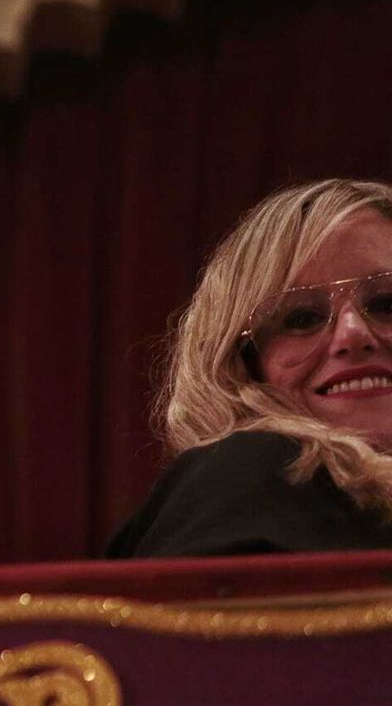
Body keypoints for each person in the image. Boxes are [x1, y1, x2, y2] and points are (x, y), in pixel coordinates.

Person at [109, 178, 392, 556]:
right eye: (301, 319)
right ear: (241, 365)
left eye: (387, 304)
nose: (352, 334)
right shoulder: (249, 474)